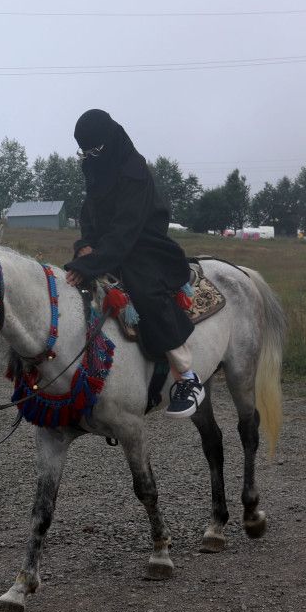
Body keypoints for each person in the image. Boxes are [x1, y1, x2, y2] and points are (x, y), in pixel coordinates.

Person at [62, 109, 204, 418]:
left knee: (145, 290)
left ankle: (186, 376)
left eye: (94, 150)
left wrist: (93, 263)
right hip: (107, 244)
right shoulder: (95, 164)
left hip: (145, 243)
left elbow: (126, 228)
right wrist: (85, 245)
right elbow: (90, 213)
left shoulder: (134, 170)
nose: (89, 156)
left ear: (109, 139)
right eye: (84, 152)